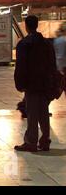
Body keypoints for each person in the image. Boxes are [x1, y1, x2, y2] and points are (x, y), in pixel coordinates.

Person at [14, 15, 57, 152]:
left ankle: (31, 142)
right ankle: (45, 140)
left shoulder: (24, 44)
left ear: (26, 26)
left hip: (31, 84)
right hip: (45, 83)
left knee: (32, 113)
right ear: (37, 25)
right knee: (43, 112)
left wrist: (20, 83)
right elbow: (52, 64)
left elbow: (21, 66)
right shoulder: (47, 44)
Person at [53, 22, 66, 94]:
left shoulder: (57, 40)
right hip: (63, 69)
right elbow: (60, 57)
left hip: (59, 68)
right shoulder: (63, 40)